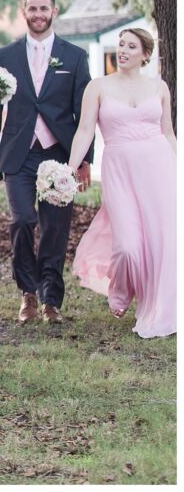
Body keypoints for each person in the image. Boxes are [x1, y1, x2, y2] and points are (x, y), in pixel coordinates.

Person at [0, 0, 92, 325]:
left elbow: (83, 112)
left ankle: (50, 300)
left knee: (56, 229)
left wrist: (84, 160)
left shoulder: (74, 56)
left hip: (60, 155)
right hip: (18, 153)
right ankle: (27, 293)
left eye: (44, 8)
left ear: (54, 11)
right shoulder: (7, 55)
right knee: (22, 221)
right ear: (24, 11)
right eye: (32, 8)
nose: (38, 13)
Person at [69, 28, 175, 338]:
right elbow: (85, 130)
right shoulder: (98, 87)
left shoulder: (159, 87)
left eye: (131, 46)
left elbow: (168, 132)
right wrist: (70, 168)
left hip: (160, 168)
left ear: (145, 54)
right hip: (119, 170)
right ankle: (121, 287)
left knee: (161, 241)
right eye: (121, 44)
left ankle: (156, 304)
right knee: (128, 245)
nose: (123, 50)